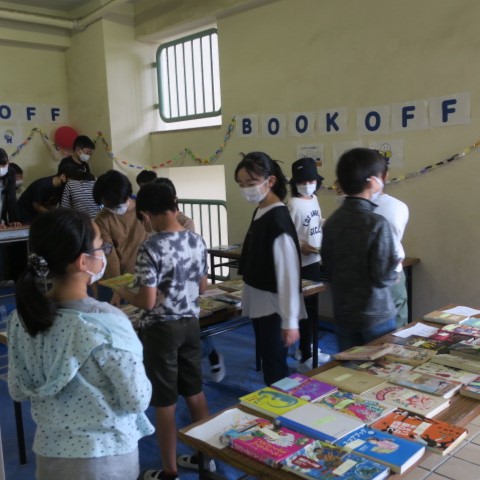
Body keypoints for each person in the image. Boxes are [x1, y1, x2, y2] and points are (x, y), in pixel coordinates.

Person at [7, 208, 154, 480]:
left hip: (50, 457)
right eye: (101, 247)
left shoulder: (20, 319)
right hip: (106, 459)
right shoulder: (107, 322)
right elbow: (137, 399)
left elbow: (16, 389)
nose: (104, 252)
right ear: (83, 262)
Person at [114, 181, 214, 480]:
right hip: (191, 324)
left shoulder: (151, 246)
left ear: (145, 214)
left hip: (161, 330)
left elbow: (147, 301)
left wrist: (123, 291)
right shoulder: (196, 239)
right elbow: (203, 287)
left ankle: (170, 472)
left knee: (165, 402)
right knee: (195, 392)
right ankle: (206, 459)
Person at [235, 151, 305, 386]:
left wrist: (290, 321)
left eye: (251, 183)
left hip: (274, 305)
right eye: (241, 184)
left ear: (270, 180)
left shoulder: (277, 219)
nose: (246, 189)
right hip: (261, 300)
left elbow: (288, 275)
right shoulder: (261, 210)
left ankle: (282, 403)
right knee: (270, 359)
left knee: (275, 365)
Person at [321, 148, 399, 351]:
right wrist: (394, 271)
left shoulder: (332, 221)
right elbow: (383, 277)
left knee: (348, 366)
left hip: (343, 313)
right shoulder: (377, 223)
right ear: (373, 182)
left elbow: (328, 270)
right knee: (380, 367)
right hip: (376, 315)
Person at [155, 177, 226, 383]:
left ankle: (210, 356)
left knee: (193, 333)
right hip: (166, 291)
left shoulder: (185, 225)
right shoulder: (153, 227)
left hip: (185, 288)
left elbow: (191, 263)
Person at [287, 157, 331, 372]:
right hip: (298, 265)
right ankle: (305, 354)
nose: (307, 185)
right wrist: (300, 246)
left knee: (312, 309)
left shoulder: (313, 199)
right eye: (302, 181)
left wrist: (324, 224)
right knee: (304, 311)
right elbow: (285, 235)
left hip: (313, 260)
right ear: (294, 183)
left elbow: (314, 222)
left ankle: (308, 347)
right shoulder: (292, 204)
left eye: (311, 181)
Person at [93, 170, 148, 304]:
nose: (112, 209)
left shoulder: (145, 209)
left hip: (144, 277)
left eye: (115, 205)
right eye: (106, 205)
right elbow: (110, 256)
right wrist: (118, 289)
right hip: (115, 279)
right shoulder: (102, 219)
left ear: (127, 194)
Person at [374, 155, 410, 329]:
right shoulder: (399, 207)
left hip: (364, 280)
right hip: (392, 273)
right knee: (397, 328)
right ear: (385, 175)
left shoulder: (349, 208)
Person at [0, 148, 21, 227]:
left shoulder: (11, 171)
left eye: (3, 165)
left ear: (8, 162)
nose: (1, 168)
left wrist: (14, 218)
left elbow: (11, 195)